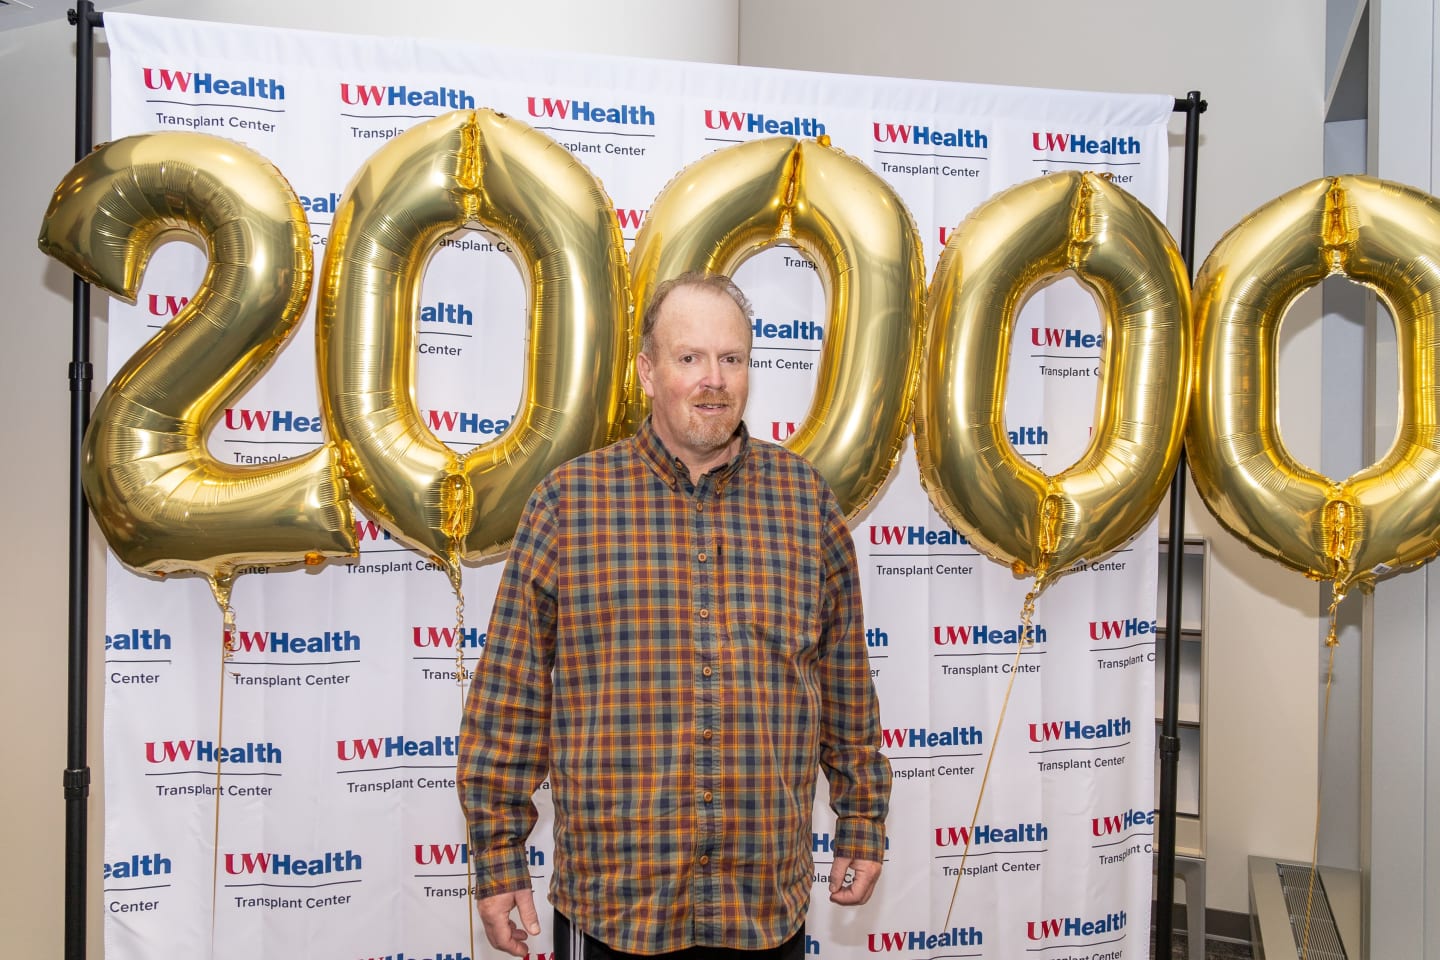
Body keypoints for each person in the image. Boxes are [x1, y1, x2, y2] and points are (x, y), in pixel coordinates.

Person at [458, 272, 891, 960]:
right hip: (616, 907)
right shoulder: (569, 506)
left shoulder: (805, 503)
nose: (712, 380)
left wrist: (862, 820)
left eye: (732, 358)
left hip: (761, 907)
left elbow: (844, 686)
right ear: (648, 371)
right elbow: (509, 700)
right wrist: (498, 857)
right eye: (689, 358)